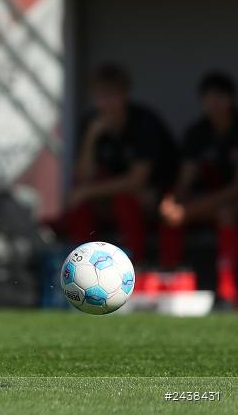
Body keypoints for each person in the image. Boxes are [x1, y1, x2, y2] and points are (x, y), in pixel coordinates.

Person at [68, 63, 178, 266]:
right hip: (111, 195)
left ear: (125, 94)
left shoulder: (144, 122)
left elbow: (137, 180)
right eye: (100, 96)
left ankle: (134, 266)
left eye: (112, 95)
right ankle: (82, 266)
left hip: (158, 194)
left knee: (124, 199)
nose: (106, 103)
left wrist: (89, 191)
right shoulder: (91, 123)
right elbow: (83, 176)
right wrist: (91, 138)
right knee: (80, 203)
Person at [160, 71, 238, 307]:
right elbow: (185, 180)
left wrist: (191, 209)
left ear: (230, 99)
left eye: (219, 97)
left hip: (228, 202)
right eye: (208, 98)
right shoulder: (198, 133)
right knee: (169, 215)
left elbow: (235, 188)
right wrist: (172, 203)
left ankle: (228, 290)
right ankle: (167, 279)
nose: (213, 104)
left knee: (228, 212)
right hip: (207, 202)